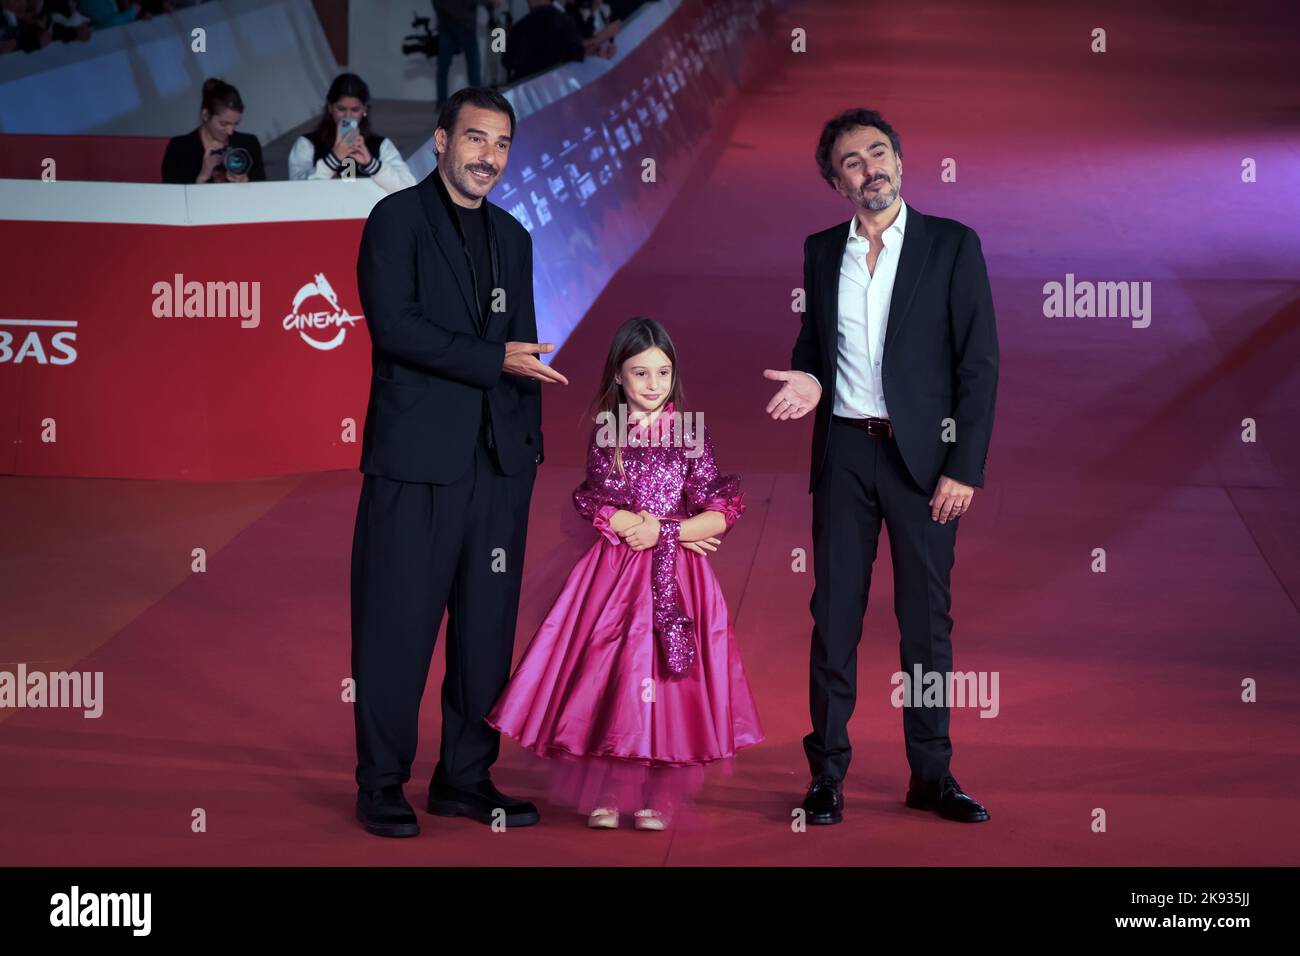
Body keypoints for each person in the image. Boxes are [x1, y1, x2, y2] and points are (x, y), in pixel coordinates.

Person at [764, 108, 998, 824]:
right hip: (844, 454)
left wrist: (965, 465)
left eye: (879, 152)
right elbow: (813, 342)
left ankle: (932, 774)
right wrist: (809, 377)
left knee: (927, 625)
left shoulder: (951, 245)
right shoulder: (819, 249)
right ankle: (825, 774)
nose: (872, 168)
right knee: (834, 619)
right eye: (854, 162)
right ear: (837, 182)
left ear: (900, 158)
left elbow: (979, 364)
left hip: (925, 464)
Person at [350, 86, 569, 838]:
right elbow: (396, 327)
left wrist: (527, 451)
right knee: (396, 629)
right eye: (476, 139)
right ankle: (381, 783)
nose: (490, 157)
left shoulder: (514, 235)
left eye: (503, 144)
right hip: (415, 463)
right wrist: (491, 359)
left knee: (486, 636)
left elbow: (527, 350)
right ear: (440, 141)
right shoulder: (395, 220)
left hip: (498, 468)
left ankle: (466, 778)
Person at [487, 317, 764, 831]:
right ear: (618, 376)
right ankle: (611, 786)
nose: (653, 385)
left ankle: (658, 789)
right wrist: (619, 520)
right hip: (614, 575)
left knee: (664, 675)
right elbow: (593, 497)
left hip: (675, 575)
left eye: (663, 372)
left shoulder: (688, 432)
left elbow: (720, 505)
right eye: (640, 373)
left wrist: (666, 530)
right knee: (613, 672)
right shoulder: (605, 433)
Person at [288, 73, 415, 194]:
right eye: (341, 109)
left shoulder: (381, 145)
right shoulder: (307, 144)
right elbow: (296, 190)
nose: (348, 116)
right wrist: (333, 159)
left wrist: (372, 164)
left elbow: (408, 187)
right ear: (330, 107)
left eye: (355, 110)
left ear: (364, 109)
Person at [161, 78, 266, 185]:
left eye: (235, 124)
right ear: (206, 115)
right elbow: (175, 198)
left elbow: (263, 192)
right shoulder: (180, 149)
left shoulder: (249, 144)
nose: (230, 132)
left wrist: (247, 185)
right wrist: (202, 176)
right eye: (224, 124)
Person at [501, 0, 584, 82]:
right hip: (560, 86)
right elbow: (577, 55)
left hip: (529, 86)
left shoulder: (524, 25)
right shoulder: (569, 23)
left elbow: (508, 60)